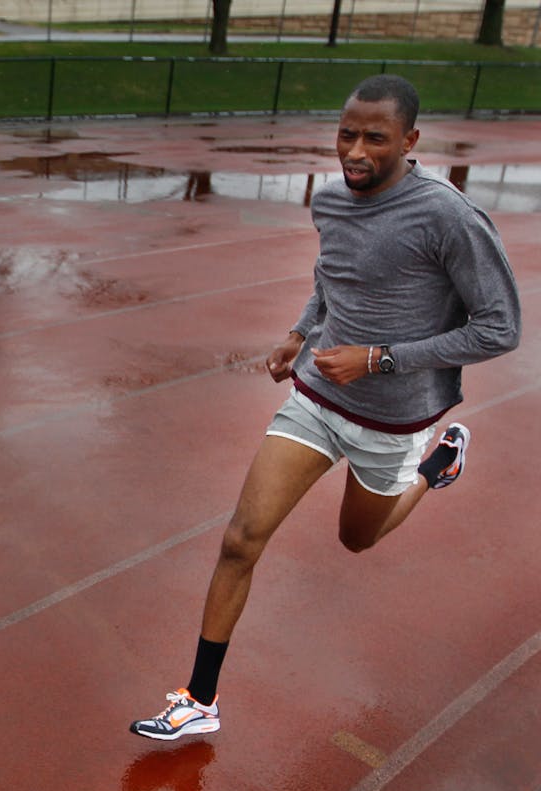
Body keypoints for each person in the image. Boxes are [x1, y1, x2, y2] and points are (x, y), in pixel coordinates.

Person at [128, 74, 522, 740]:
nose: (355, 150)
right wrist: (299, 331)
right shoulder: (334, 201)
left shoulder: (449, 217)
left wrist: (378, 358)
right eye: (347, 134)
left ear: (410, 140)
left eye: (375, 137)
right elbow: (331, 275)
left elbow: (499, 326)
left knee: (355, 538)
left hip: (393, 419)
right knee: (240, 539)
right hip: (317, 395)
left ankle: (437, 466)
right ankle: (200, 698)